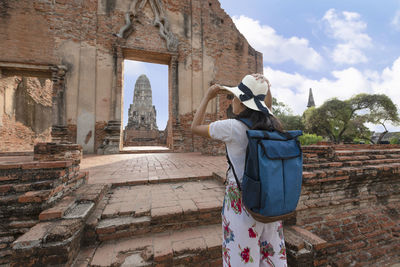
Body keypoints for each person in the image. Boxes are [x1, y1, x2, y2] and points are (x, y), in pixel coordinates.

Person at [191, 74, 287, 267]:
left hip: (241, 201)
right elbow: (267, 107)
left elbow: (194, 127)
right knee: (271, 256)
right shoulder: (273, 125)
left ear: (242, 103)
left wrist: (208, 97)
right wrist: (266, 87)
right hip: (269, 201)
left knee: (241, 256)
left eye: (234, 97)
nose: (232, 101)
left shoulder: (232, 127)